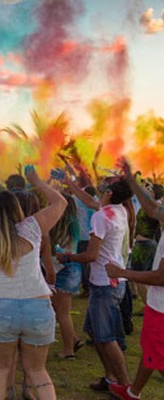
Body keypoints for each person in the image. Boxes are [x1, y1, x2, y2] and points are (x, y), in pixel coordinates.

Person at [0, 166, 66, 400]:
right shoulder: (31, 227)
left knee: (0, 369)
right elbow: (60, 203)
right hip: (38, 307)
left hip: (2, 307)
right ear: (17, 209)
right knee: (38, 371)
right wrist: (37, 181)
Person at [56, 178, 133, 392]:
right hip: (114, 283)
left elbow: (91, 255)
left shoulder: (101, 216)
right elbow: (89, 200)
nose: (99, 190)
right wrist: (69, 184)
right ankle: (111, 379)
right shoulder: (119, 210)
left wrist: (68, 257)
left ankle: (125, 386)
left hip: (104, 284)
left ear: (108, 193)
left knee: (106, 338)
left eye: (103, 187)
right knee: (94, 331)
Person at [104, 158, 164, 400]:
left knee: (156, 353)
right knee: (152, 351)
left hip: (162, 308)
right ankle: (133, 392)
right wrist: (131, 179)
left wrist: (122, 273)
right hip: (158, 305)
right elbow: (152, 209)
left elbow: (160, 278)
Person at [49, 194, 84, 359]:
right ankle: (74, 340)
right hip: (73, 268)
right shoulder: (73, 223)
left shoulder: (59, 224)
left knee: (62, 313)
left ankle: (69, 350)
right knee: (59, 310)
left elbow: (55, 250)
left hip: (63, 269)